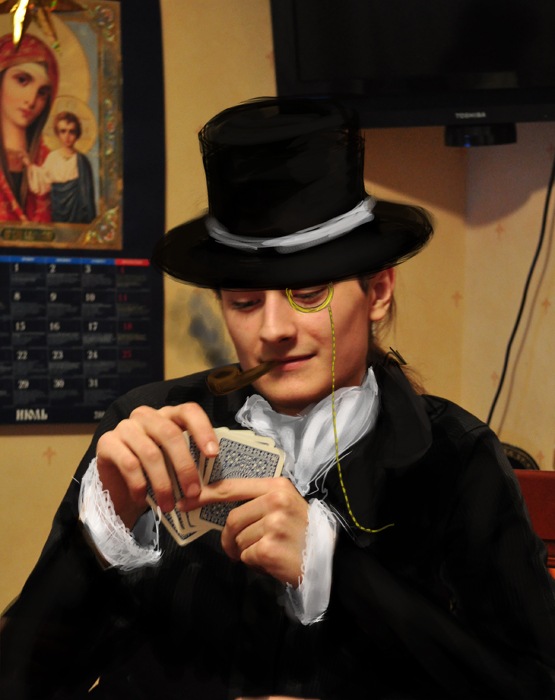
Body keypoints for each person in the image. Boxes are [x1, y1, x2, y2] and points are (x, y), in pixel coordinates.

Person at [1, 98, 554, 700]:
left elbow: (528, 687)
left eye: (309, 294)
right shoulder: (148, 429)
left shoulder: (459, 460)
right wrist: (101, 532)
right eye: (244, 302)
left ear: (378, 291)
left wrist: (333, 570)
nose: (272, 330)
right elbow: (21, 680)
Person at [0, 33, 58, 223]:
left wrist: (44, 197)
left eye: (42, 92)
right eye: (22, 80)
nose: (31, 101)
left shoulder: (49, 161)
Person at [25, 110, 96, 224]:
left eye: (71, 132)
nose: (67, 136)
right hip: (57, 211)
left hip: (78, 215)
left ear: (77, 134)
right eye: (63, 131)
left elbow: (87, 197)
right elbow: (42, 181)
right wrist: (29, 166)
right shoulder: (53, 157)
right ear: (57, 134)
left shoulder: (82, 161)